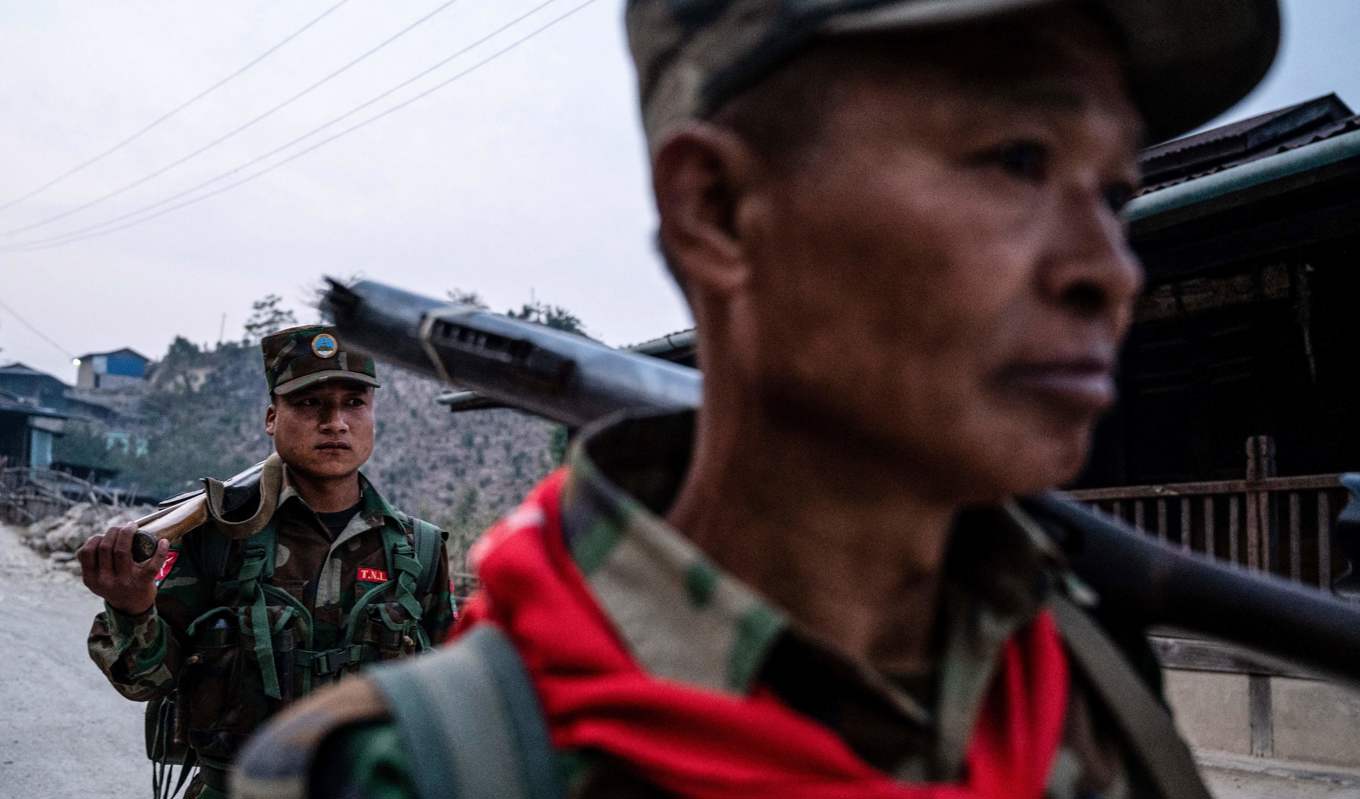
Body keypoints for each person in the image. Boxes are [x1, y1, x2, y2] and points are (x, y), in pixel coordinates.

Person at [235, 1, 1280, 798]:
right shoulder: (413, 771)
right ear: (720, 210)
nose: (1110, 269)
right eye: (1017, 160)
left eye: (1113, 193)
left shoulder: (1096, 700)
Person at [80, 325, 455, 799]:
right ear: (272, 418)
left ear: (373, 415)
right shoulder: (216, 536)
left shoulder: (418, 549)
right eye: (310, 403)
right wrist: (131, 608)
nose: (336, 422)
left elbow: (450, 698)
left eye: (354, 403)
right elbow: (143, 683)